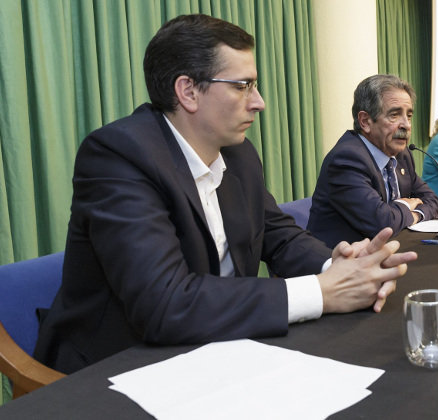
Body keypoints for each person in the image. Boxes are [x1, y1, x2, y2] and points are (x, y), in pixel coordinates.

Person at [34, 14, 416, 374]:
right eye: (242, 86)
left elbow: (279, 236)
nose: (259, 101)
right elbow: (164, 304)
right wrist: (320, 292)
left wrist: (340, 268)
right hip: (121, 365)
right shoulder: (118, 157)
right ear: (188, 91)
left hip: (221, 345)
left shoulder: (239, 153)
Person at [307, 75, 438, 248]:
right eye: (394, 115)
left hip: (386, 252)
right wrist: (405, 206)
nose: (406, 125)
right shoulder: (346, 159)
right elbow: (382, 224)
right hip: (341, 262)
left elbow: (432, 199)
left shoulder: (402, 154)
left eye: (409, 115)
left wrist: (411, 214)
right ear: (365, 121)